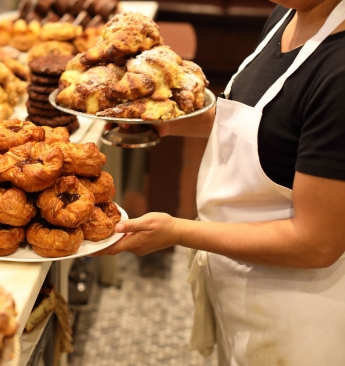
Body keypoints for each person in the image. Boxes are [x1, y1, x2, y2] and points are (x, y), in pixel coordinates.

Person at [94, 0, 345, 364]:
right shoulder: (287, 15)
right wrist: (158, 121)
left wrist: (178, 233)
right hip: (240, 273)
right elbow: (259, 125)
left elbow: (316, 243)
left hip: (299, 307)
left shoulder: (338, 75)